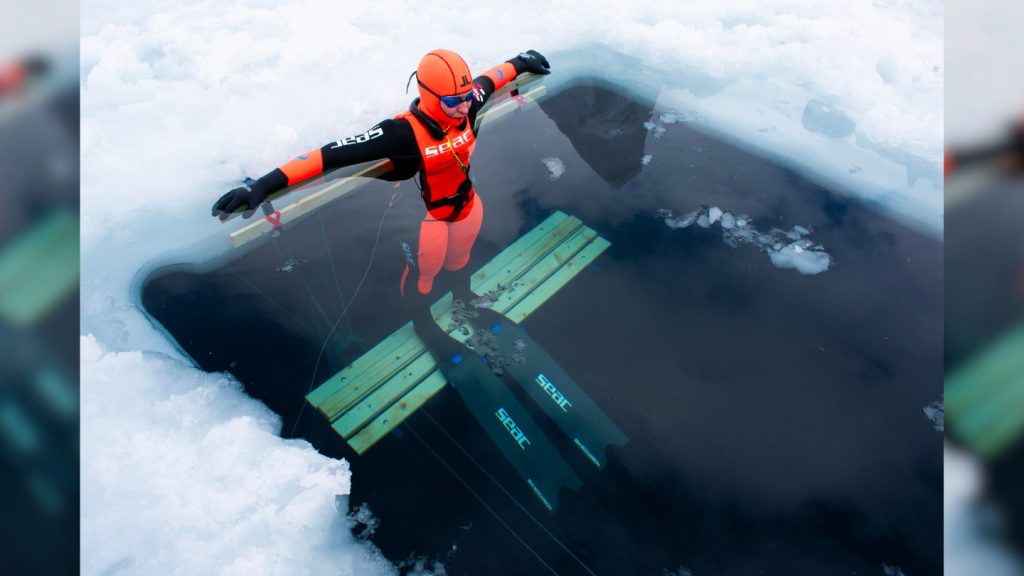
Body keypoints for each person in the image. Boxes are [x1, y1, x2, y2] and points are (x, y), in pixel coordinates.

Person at [212, 48, 551, 307]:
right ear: (431, 97)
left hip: (467, 207)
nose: (464, 108)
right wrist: (260, 187)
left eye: (466, 99)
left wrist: (524, 61)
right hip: (429, 219)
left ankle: (464, 301)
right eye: (452, 102)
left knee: (460, 262)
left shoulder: (468, 100)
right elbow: (326, 155)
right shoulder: (400, 133)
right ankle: (424, 323)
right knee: (426, 277)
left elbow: (495, 76)